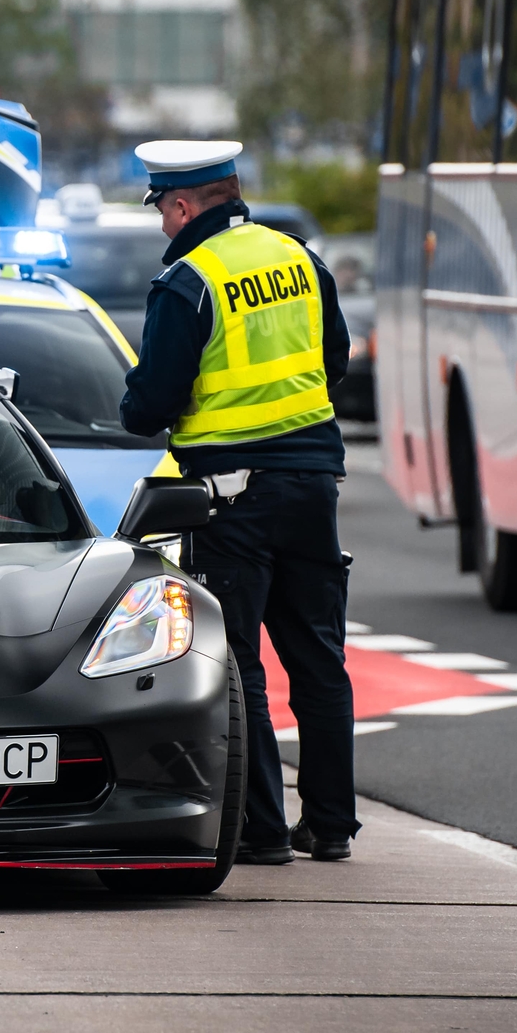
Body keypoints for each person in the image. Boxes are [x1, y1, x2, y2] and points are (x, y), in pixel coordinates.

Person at [118, 140, 356, 865]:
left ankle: (261, 828)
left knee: (241, 664)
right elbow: (334, 359)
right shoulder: (301, 259)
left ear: (185, 205)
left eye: (162, 208)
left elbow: (149, 404)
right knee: (319, 658)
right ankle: (332, 825)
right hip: (313, 485)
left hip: (232, 500)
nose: (162, 224)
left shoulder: (188, 281)